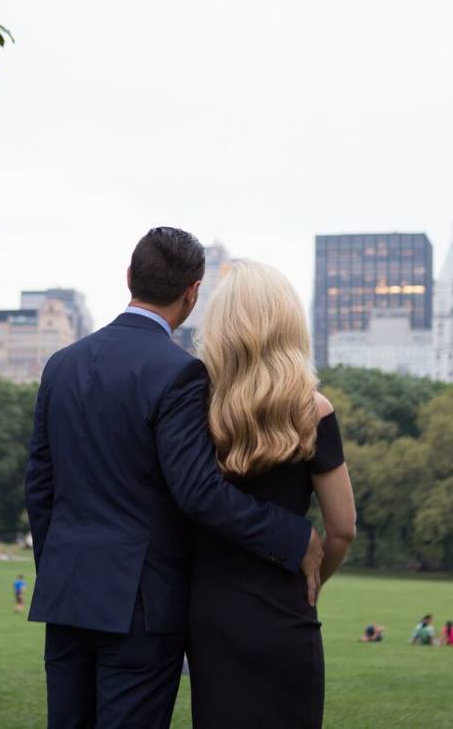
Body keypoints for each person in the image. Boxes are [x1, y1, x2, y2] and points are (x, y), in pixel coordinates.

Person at [25, 231, 325, 729]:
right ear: (192, 293)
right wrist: (292, 534)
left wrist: (62, 570)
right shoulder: (180, 373)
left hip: (68, 595)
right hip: (141, 608)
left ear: (129, 277)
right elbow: (198, 490)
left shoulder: (61, 366)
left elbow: (39, 485)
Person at [186, 260, 356, 728]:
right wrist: (313, 582)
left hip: (211, 616)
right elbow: (342, 528)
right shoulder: (313, 409)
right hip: (286, 612)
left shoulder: (193, 406)